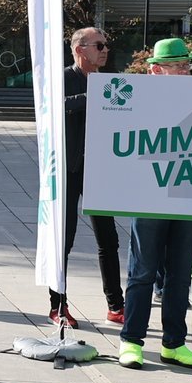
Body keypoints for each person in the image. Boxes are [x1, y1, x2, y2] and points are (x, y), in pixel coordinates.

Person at [117, 37, 192, 369]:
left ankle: (174, 343)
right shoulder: (137, 97)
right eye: (179, 65)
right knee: (143, 270)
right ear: (157, 70)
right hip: (149, 196)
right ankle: (131, 341)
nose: (187, 70)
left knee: (180, 273)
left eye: (188, 64)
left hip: (189, 196)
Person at [48, 26, 126, 328]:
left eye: (106, 45)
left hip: (98, 171)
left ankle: (116, 306)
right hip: (67, 170)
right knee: (63, 241)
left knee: (109, 240)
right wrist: (92, 94)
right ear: (80, 49)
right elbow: (56, 108)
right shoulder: (63, 78)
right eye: (99, 45)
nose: (105, 50)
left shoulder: (109, 80)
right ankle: (58, 306)